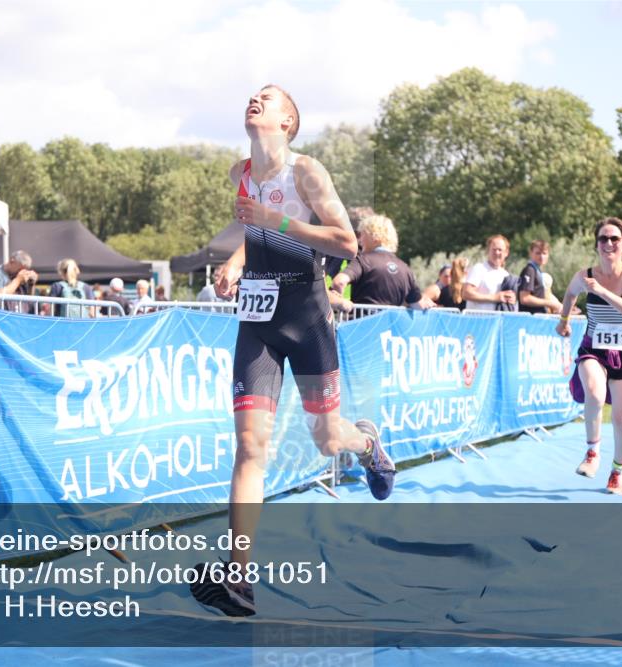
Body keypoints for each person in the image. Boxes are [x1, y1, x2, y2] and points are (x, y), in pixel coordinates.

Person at [189, 84, 395, 617]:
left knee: (328, 440)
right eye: (252, 96)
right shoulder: (239, 173)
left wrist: (275, 222)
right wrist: (237, 261)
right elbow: (253, 226)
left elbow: (346, 242)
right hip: (258, 322)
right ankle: (240, 578)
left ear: (288, 123)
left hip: (307, 322)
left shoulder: (307, 172)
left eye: (269, 98)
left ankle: (366, 443)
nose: (254, 101)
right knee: (250, 446)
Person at [556, 217, 622, 496]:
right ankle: (592, 452)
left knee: (621, 418)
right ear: (596, 245)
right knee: (593, 393)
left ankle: (618, 469)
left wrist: (601, 291)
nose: (608, 243)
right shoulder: (585, 275)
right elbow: (569, 294)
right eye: (603, 239)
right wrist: (564, 320)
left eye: (614, 239)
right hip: (594, 347)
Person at [328, 214, 434, 311]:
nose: (359, 240)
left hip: (362, 327)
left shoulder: (363, 261)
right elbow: (417, 305)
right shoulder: (405, 268)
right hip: (391, 330)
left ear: (373, 236)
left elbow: (339, 282)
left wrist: (340, 305)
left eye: (362, 235)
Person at [463, 235, 517, 311]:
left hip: (497, 321)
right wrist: (495, 298)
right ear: (488, 251)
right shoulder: (479, 268)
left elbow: (505, 299)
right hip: (478, 320)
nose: (497, 252)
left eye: (500, 250)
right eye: (494, 249)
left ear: (506, 253)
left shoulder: (506, 275)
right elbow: (466, 293)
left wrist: (511, 299)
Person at [518, 240, 562, 314]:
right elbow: (525, 298)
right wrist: (550, 303)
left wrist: (559, 306)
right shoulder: (530, 270)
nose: (541, 256)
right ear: (530, 253)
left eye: (544, 253)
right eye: (538, 253)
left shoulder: (536, 270)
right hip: (531, 319)